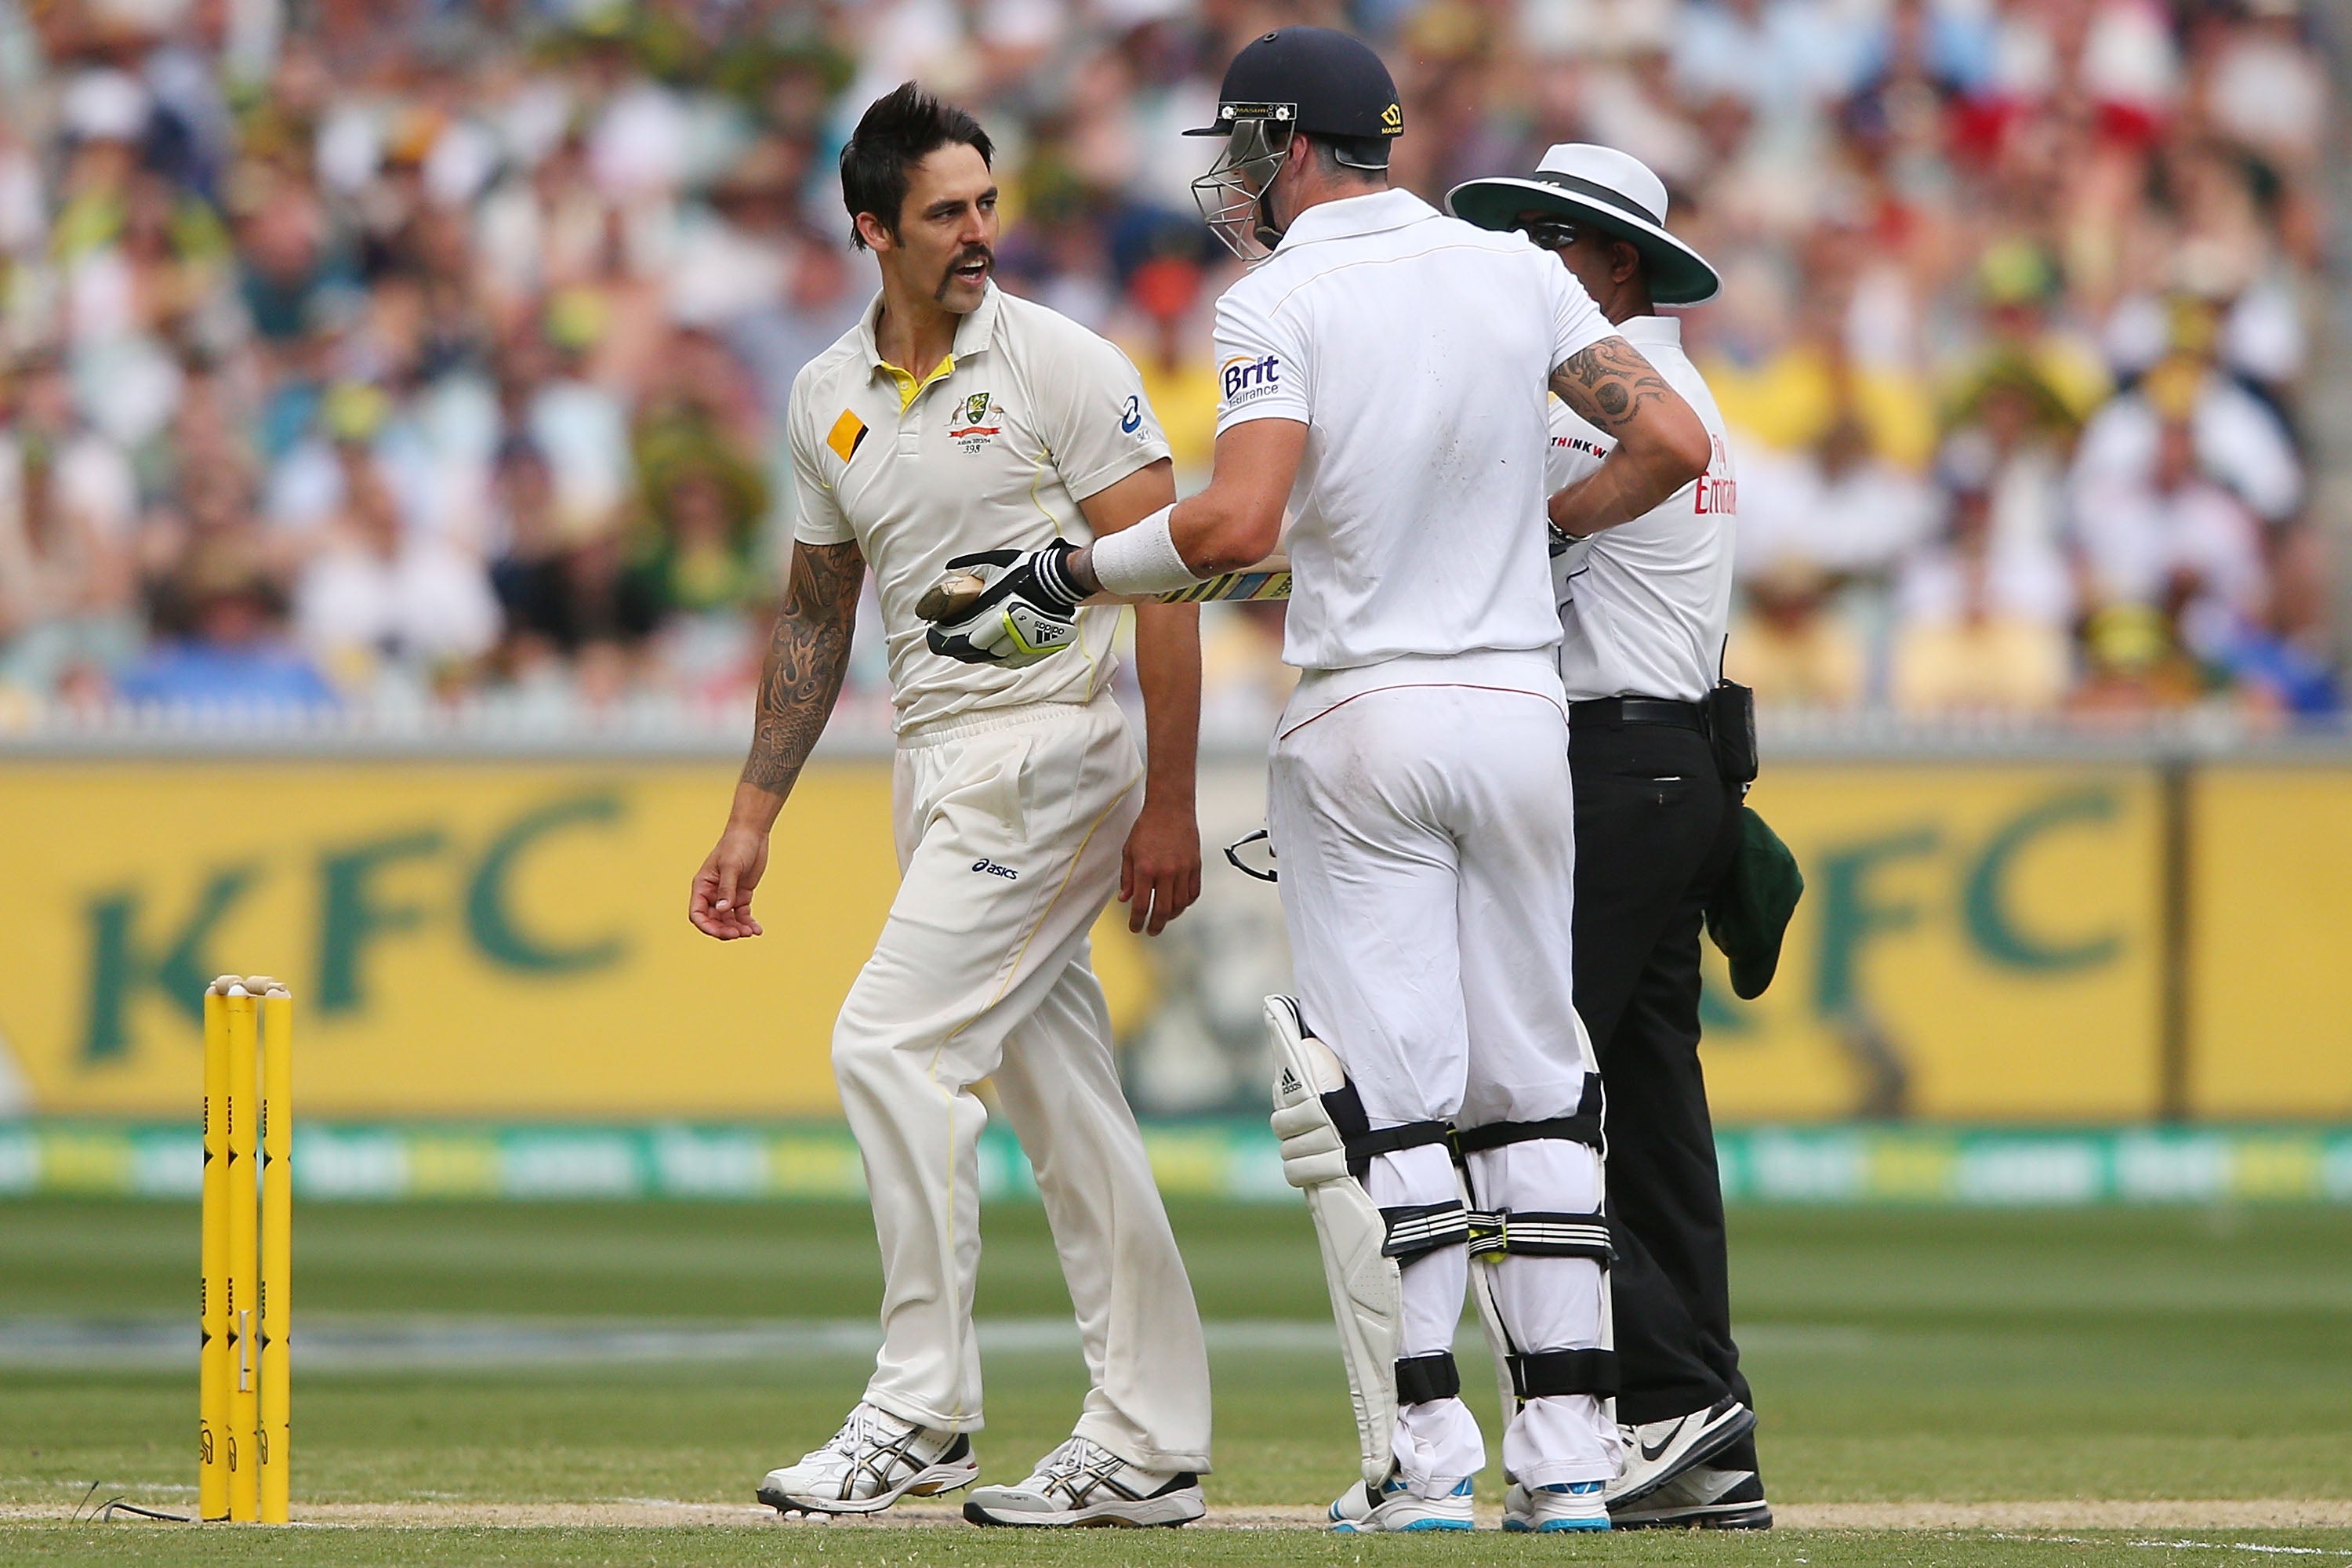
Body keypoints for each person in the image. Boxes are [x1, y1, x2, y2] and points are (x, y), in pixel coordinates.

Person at [921, 29, 1712, 1534]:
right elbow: (1670, 435)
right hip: (1520, 711)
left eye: (1239, 145)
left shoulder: (1278, 297)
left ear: (1290, 146)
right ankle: (1566, 1461)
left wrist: (1066, 570)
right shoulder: (1516, 269)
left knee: (1400, 1100)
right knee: (1542, 1083)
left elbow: (1233, 525)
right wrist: (1537, 535)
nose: (1228, 176)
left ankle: (1427, 1468)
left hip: (1368, 713)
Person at [686, 83, 1213, 1529]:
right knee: (1065, 1107)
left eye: (988, 204)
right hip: (935, 765)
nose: (979, 233)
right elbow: (813, 620)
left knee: (887, 1042)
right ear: (871, 228)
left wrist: (1168, 800)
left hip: (1052, 750)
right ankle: (1152, 1439)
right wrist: (753, 815)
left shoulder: (1060, 362)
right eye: (945, 213)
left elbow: (1165, 574)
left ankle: (919, 1408)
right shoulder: (823, 396)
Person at [1449, 143, 1769, 1528]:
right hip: (1676, 763)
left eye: (1548, 241)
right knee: (1646, 1110)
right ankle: (1698, 1427)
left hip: (1615, 762)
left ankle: (1652, 1404)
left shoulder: (1607, 401)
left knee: (1520, 1093)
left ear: (1614, 266)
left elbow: (1457, 505)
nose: (1524, 263)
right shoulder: (1678, 384)